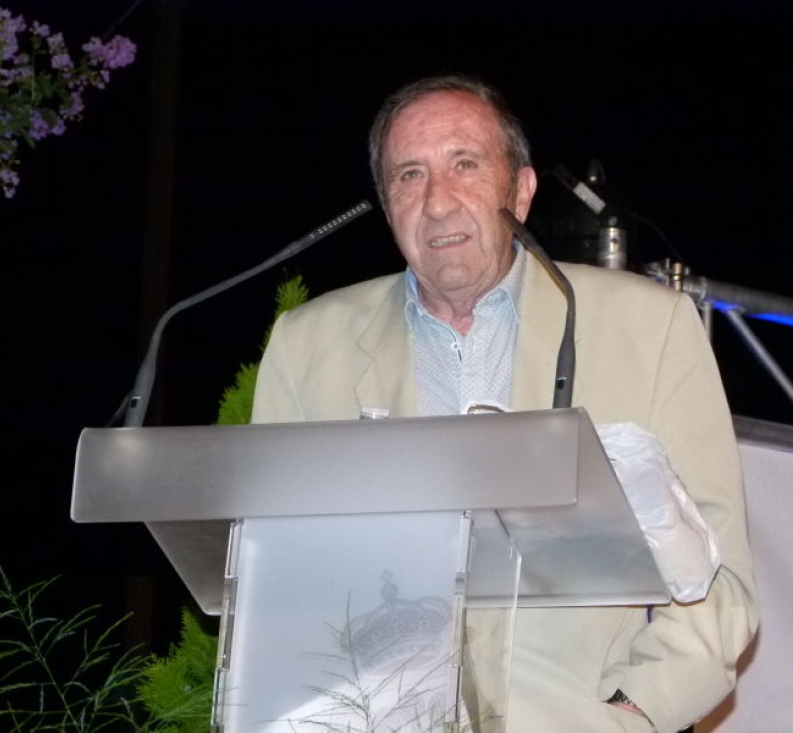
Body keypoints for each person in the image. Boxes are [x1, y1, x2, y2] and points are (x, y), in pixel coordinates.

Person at [250, 73, 758, 733]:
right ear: (387, 205)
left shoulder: (649, 328)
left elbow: (721, 580)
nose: (438, 203)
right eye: (409, 175)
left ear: (520, 190)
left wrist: (634, 714)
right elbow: (273, 583)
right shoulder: (307, 345)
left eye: (465, 165)